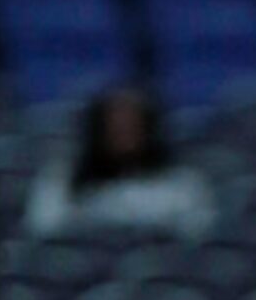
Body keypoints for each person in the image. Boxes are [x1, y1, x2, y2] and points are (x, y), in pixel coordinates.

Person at [24, 86, 214, 240]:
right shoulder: (60, 181)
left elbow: (199, 237)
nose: (123, 134)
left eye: (132, 126)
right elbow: (44, 232)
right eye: (114, 126)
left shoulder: (183, 185)